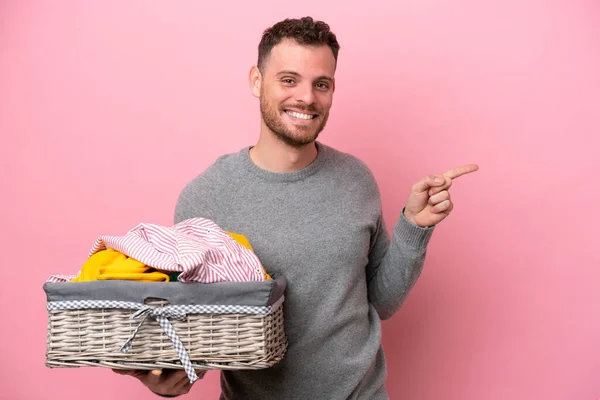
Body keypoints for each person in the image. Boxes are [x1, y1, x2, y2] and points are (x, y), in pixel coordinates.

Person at [114, 16, 478, 399]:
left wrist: (414, 226)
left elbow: (382, 302)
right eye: (289, 80)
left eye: (321, 84)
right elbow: (199, 333)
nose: (306, 98)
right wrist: (168, 379)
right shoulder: (205, 198)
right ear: (257, 81)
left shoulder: (357, 180)